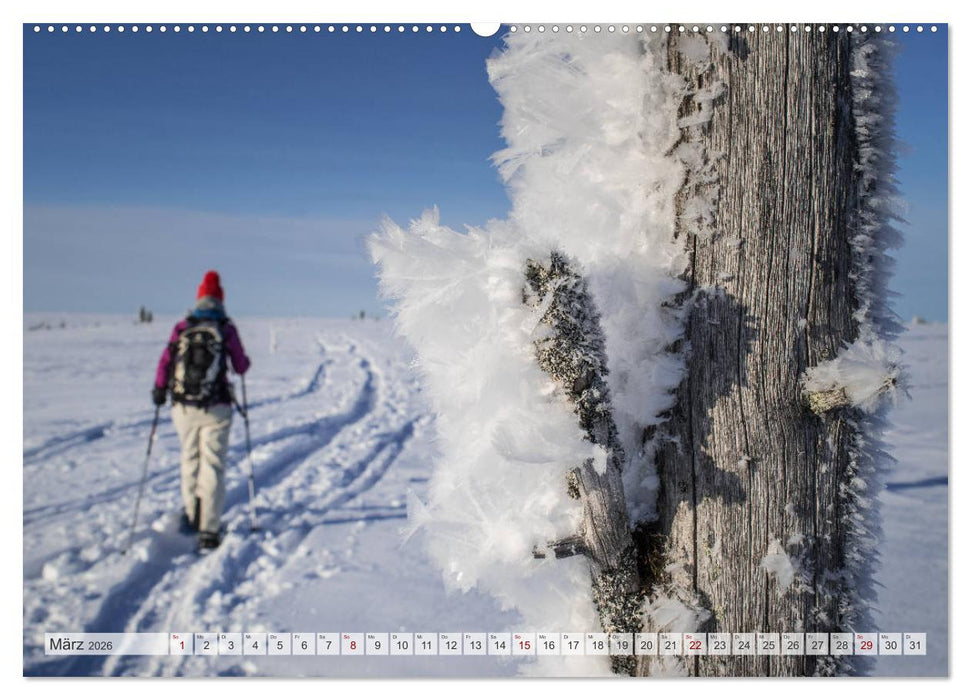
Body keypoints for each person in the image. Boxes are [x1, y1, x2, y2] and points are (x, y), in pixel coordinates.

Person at [152, 270, 251, 550]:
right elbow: (240, 366)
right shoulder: (226, 328)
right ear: (220, 299)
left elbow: (166, 360)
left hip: (184, 406)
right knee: (213, 464)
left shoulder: (183, 326)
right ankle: (209, 529)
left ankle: (192, 515)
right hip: (217, 406)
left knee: (189, 458)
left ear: (198, 297)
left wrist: (160, 389)